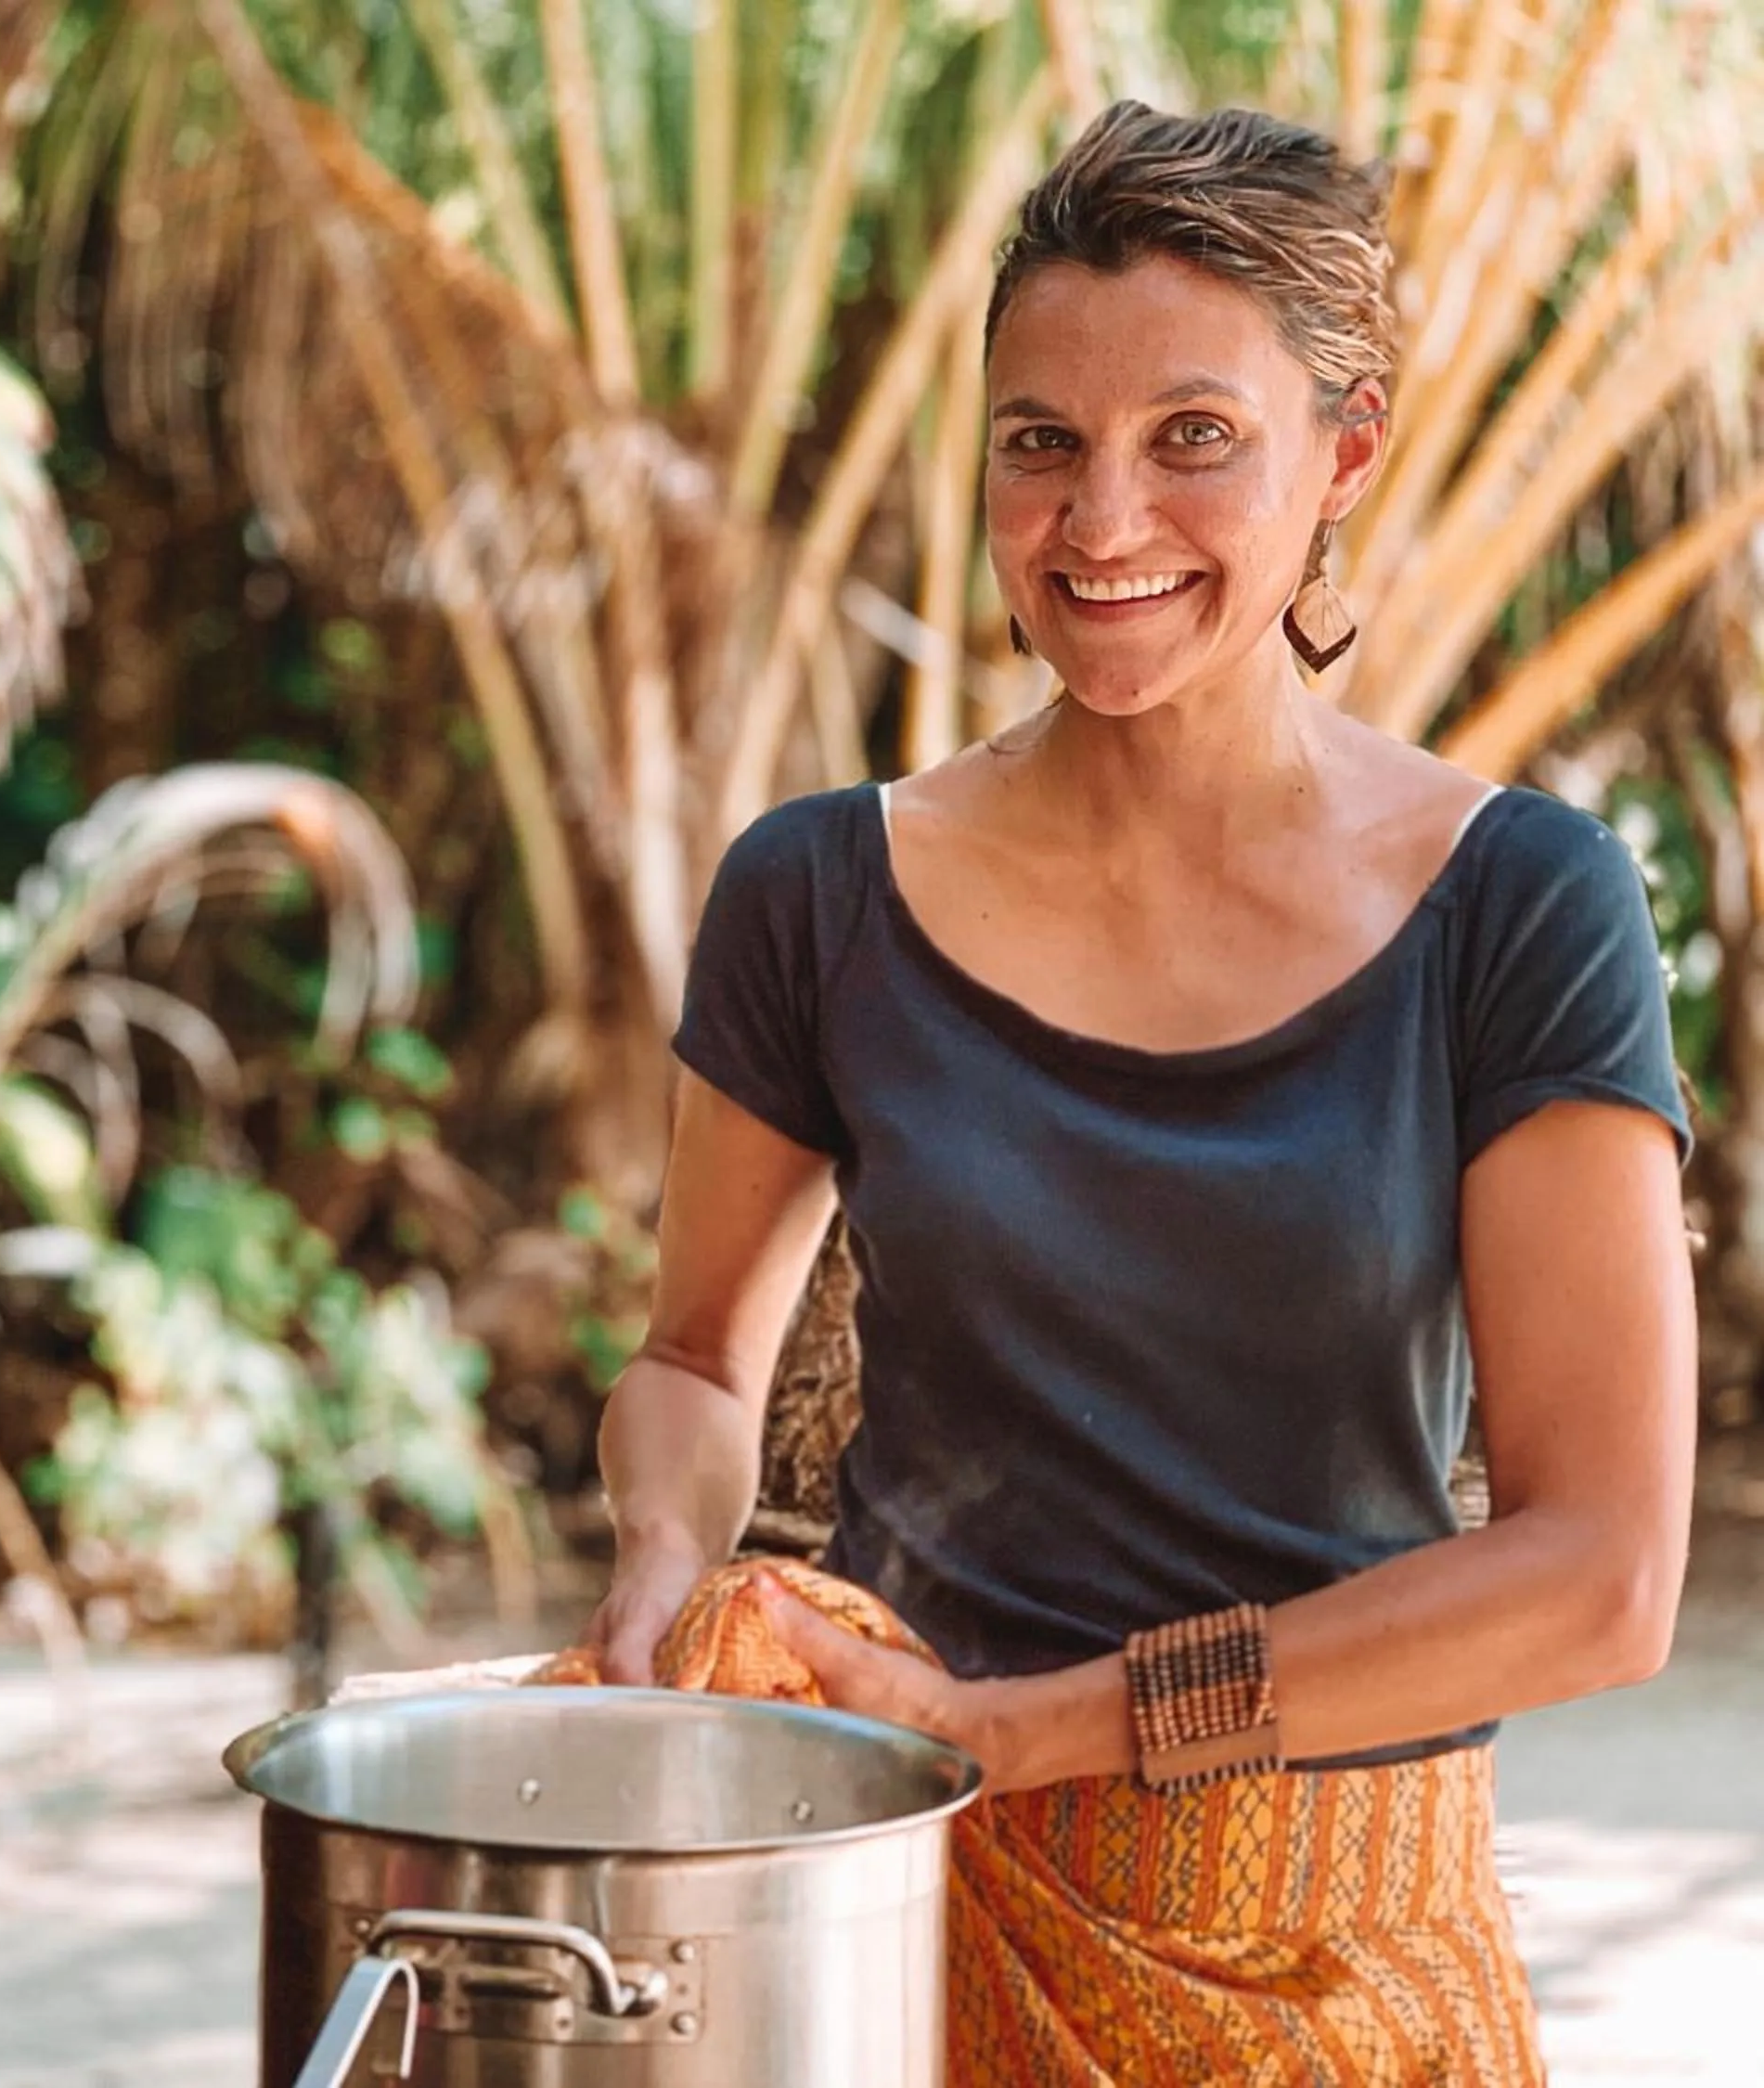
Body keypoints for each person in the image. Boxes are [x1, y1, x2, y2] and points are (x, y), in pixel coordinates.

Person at [585, 102, 1693, 2081]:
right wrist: (666, 1571)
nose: (1102, 525)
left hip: (1346, 1959)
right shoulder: (819, 893)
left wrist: (1052, 1724)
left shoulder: (1522, 907)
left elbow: (1601, 1577)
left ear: (1343, 452)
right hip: (903, 1911)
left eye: (1197, 438)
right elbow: (690, 1364)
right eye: (1043, 444)